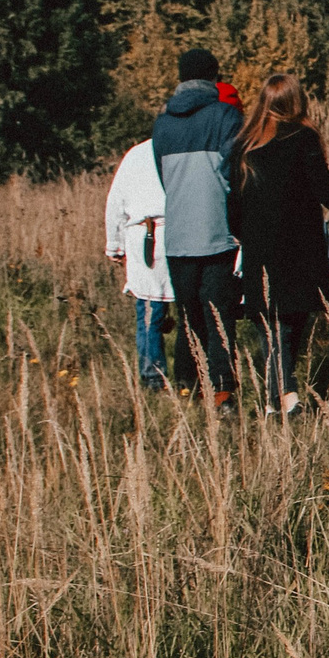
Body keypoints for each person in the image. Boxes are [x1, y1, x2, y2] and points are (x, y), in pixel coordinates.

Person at [226, 73, 329, 418]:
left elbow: (232, 206)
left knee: (271, 324)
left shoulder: (243, 145)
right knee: (288, 324)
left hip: (257, 247)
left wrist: (244, 236)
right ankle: (288, 398)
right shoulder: (303, 137)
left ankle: (274, 400)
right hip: (298, 245)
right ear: (297, 102)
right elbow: (321, 185)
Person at [153, 46, 246, 413]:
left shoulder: (162, 123)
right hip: (216, 231)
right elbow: (233, 174)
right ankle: (223, 394)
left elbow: (165, 178)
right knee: (219, 315)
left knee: (189, 314)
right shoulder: (225, 116)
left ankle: (186, 387)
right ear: (215, 76)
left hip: (178, 234)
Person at [102, 136, 175, 391]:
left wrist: (115, 244)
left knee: (149, 312)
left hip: (148, 235)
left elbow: (116, 202)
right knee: (184, 310)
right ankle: (192, 377)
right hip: (166, 234)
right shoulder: (188, 147)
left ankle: (153, 378)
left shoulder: (137, 153)